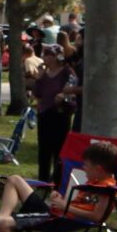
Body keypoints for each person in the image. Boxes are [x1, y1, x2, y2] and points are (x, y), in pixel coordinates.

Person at [30, 42, 79, 179]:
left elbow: (72, 90)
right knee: (44, 149)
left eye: (48, 55)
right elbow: (37, 93)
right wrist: (38, 78)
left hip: (60, 114)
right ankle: (43, 179)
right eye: (44, 54)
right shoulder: (44, 73)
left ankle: (58, 179)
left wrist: (63, 96)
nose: (44, 57)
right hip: (44, 114)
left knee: (59, 149)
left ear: (56, 57)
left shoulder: (67, 72)